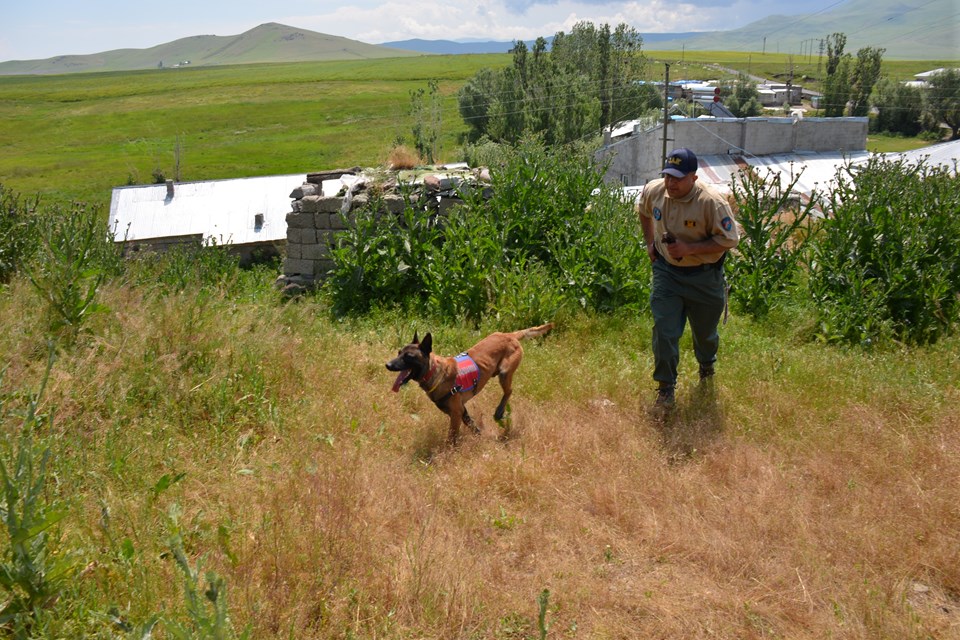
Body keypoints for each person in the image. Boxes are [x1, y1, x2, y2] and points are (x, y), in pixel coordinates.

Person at [636, 148, 740, 407]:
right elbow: (643, 210)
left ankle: (706, 366)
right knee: (664, 329)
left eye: (678, 178)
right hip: (667, 273)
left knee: (705, 334)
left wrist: (689, 249)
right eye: (668, 176)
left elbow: (730, 240)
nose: (671, 183)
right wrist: (650, 243)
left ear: (693, 178)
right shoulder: (656, 190)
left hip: (704, 277)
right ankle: (665, 388)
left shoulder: (712, 203)